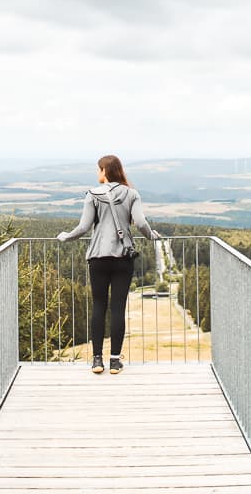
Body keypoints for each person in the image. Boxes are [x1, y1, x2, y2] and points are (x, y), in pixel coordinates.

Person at [57, 154, 159, 374]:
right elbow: (141, 222)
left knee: (98, 306)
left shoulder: (92, 195)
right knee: (118, 308)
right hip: (123, 257)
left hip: (98, 258)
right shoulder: (132, 194)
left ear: (104, 171)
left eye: (98, 169)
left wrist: (66, 237)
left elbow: (83, 227)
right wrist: (151, 236)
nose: (97, 173)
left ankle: (97, 360)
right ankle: (114, 361)